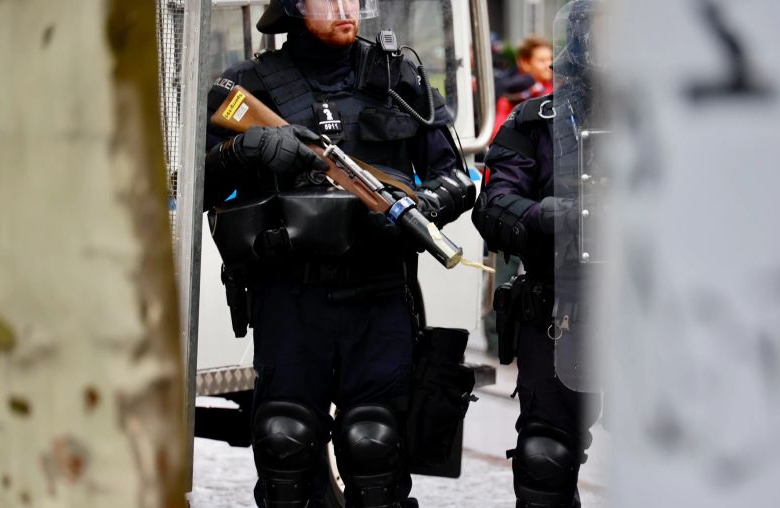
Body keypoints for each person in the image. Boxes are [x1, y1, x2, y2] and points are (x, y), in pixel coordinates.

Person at [203, 0, 475, 506]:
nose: (346, 8)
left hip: (379, 293)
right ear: (292, 8)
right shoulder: (249, 84)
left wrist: (424, 205)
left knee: (374, 444)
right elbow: (193, 184)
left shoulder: (399, 78)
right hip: (290, 295)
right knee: (285, 440)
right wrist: (247, 151)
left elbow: (457, 177)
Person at [472, 1, 602, 506]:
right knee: (544, 454)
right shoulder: (533, 122)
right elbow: (494, 206)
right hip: (559, 307)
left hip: (656, 308)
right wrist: (559, 214)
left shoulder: (677, 118)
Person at [491, 35, 555, 139]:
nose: (548, 64)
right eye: (541, 60)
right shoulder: (513, 94)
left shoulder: (554, 89)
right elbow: (499, 135)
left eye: (550, 59)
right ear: (525, 63)